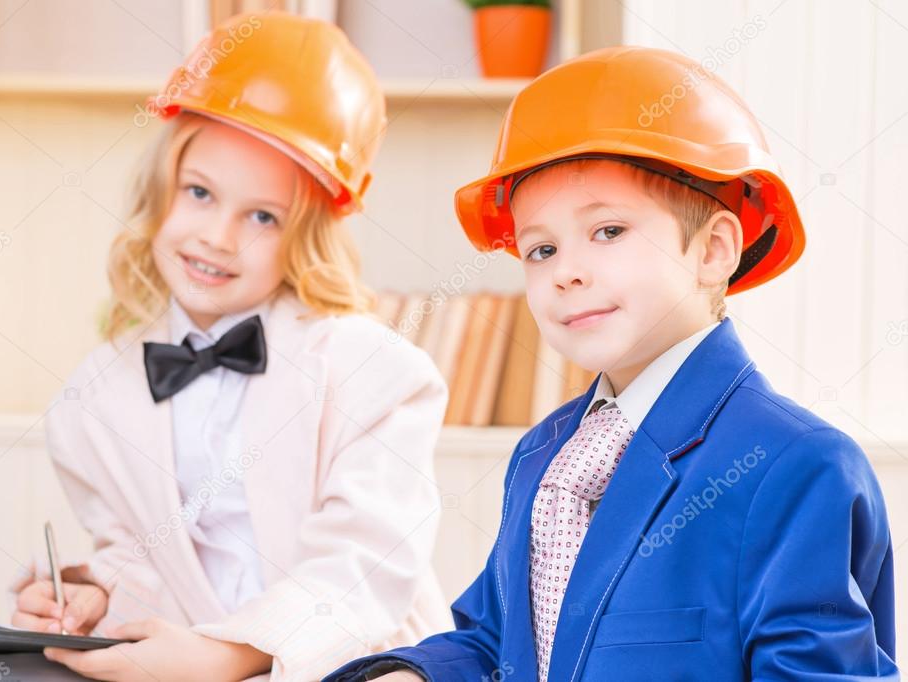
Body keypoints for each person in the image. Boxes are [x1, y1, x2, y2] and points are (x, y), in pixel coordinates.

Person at [326, 45, 898, 682]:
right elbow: (501, 642)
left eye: (607, 232)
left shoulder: (797, 466)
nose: (566, 272)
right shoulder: (544, 452)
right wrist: (415, 675)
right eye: (540, 249)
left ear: (712, 251)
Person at [10, 12, 452, 681]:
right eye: (199, 193)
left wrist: (225, 657)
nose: (217, 236)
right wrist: (92, 593)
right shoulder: (93, 394)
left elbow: (361, 568)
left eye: (262, 216)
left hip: (363, 666)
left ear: (307, 236)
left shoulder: (379, 372)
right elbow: (145, 558)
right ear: (162, 190)